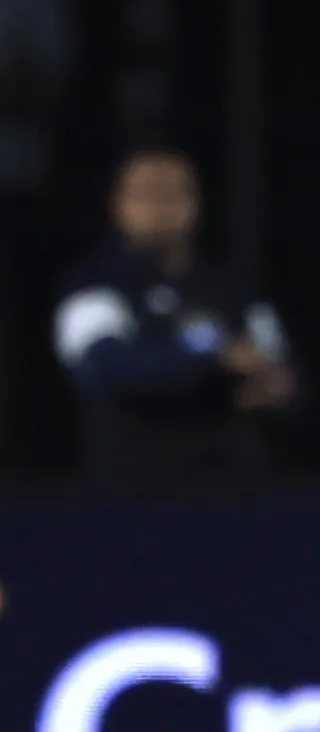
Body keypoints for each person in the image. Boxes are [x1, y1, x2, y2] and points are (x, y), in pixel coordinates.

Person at [52, 147, 296, 486]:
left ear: (196, 203)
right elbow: (104, 366)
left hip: (228, 490)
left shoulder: (232, 289)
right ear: (118, 203)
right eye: (147, 194)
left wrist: (276, 387)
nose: (160, 207)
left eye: (173, 193)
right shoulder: (94, 288)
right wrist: (212, 359)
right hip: (130, 492)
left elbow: (279, 368)